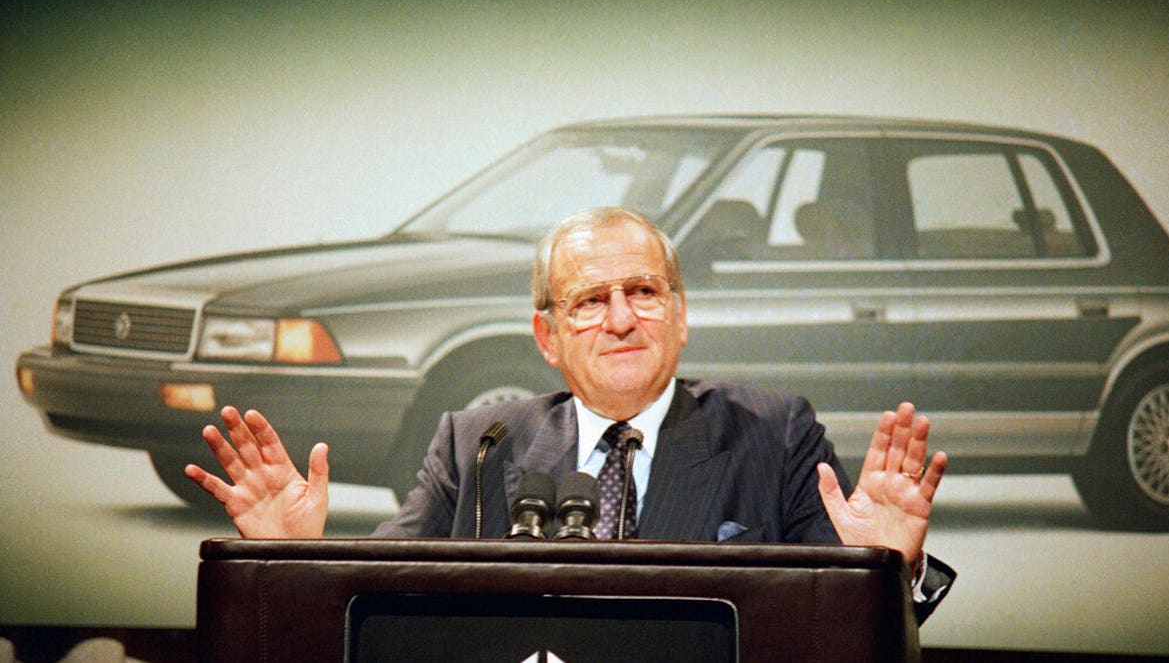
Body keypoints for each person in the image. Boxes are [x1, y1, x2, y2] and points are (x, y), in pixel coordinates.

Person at [185, 206, 954, 622]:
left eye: (644, 292)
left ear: (680, 317)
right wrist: (290, 562)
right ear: (547, 337)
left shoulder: (773, 432)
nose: (621, 317)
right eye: (590, 301)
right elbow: (385, 601)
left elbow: (849, 638)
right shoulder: (476, 444)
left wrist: (887, 572)